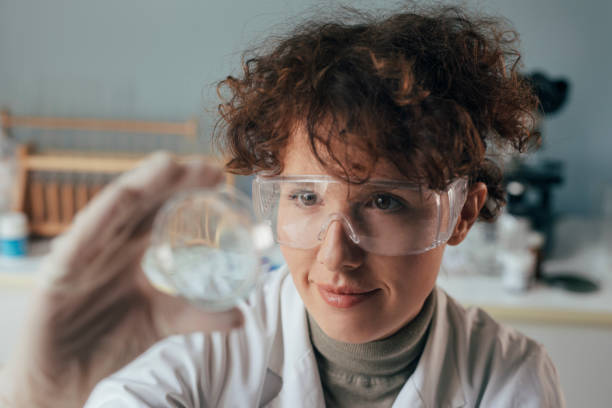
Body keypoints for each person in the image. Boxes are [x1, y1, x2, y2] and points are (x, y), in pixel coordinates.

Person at [0, 5, 564, 407]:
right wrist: (42, 397)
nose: (336, 256)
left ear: (462, 214)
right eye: (304, 196)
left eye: (385, 201)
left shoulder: (509, 380)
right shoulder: (203, 348)